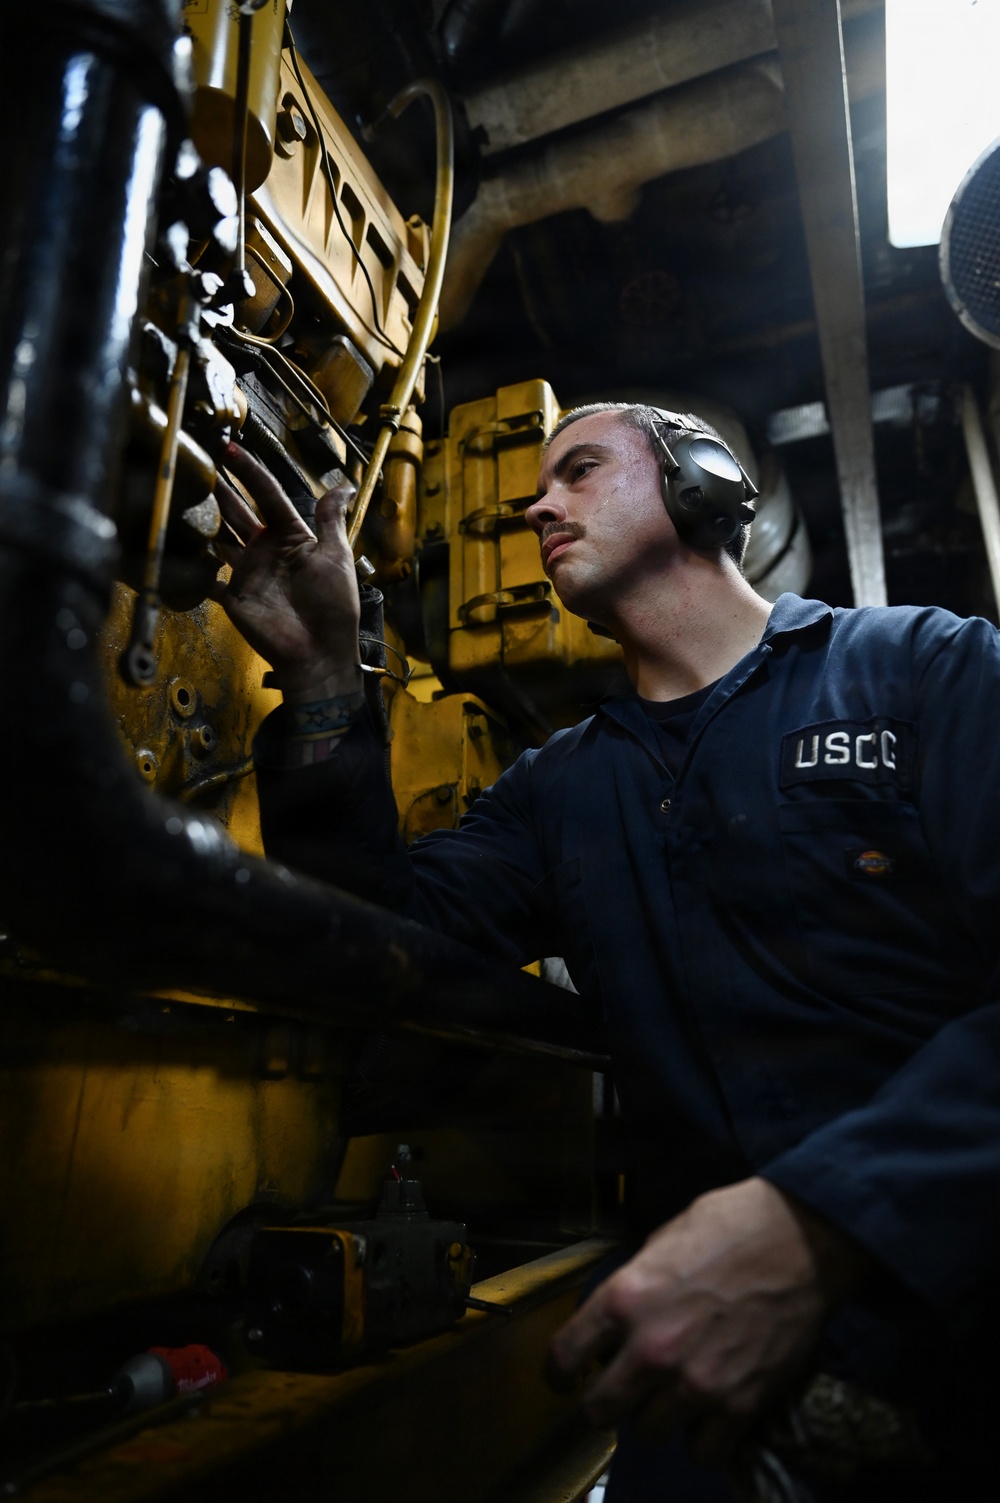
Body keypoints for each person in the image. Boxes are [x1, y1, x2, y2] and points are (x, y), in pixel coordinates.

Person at [213, 402, 1000, 1502]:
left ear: (701, 480)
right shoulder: (561, 789)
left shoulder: (926, 671)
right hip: (698, 1388)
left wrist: (829, 1217)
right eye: (540, 486)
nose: (538, 505)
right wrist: (324, 679)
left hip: (956, 1330)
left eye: (578, 470)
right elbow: (375, 937)